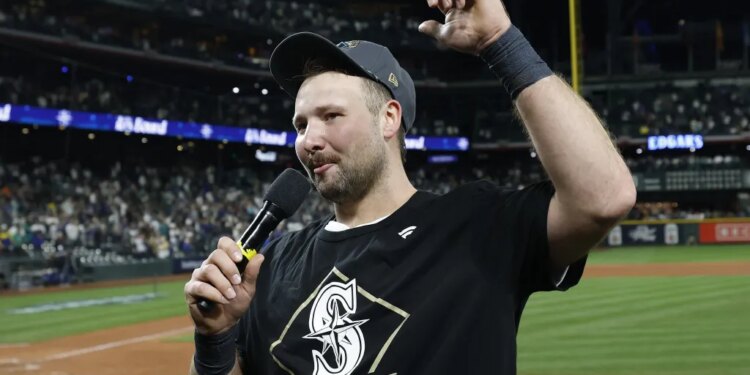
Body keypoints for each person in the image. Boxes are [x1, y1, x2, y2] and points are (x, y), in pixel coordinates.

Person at [184, 0, 636, 373]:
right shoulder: (270, 266)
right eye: (300, 124)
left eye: (331, 116)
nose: (309, 139)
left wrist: (500, 42)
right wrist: (215, 340)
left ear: (390, 118)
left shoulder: (475, 225)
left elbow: (604, 197)